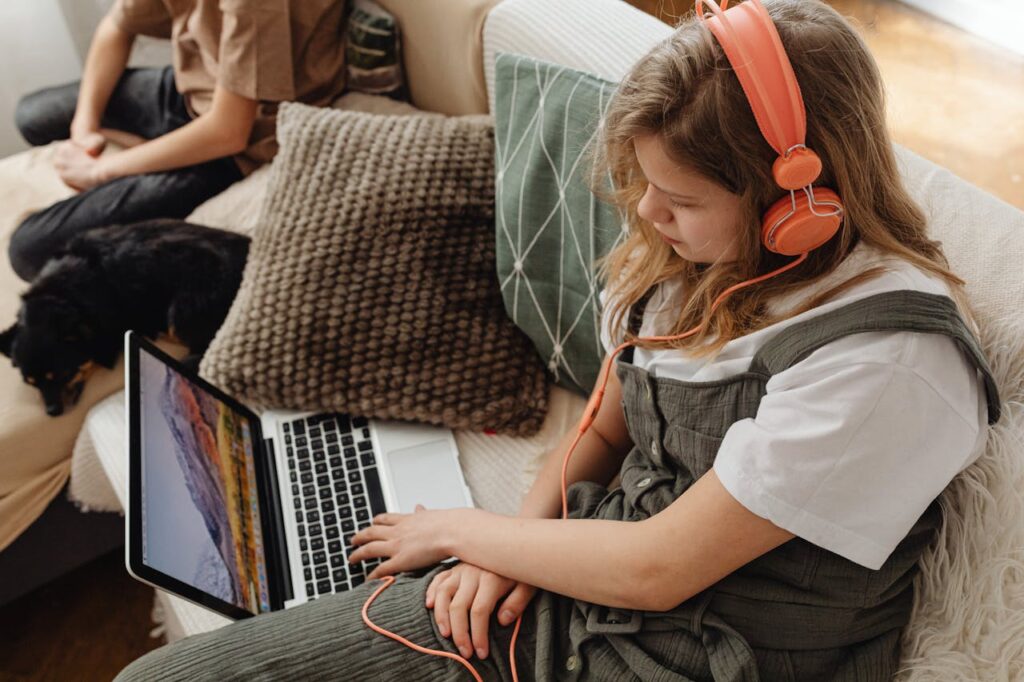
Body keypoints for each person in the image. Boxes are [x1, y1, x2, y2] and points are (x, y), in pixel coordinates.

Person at [114, 0, 1000, 679]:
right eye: (647, 186)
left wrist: (470, 536)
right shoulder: (705, 258)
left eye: (681, 200)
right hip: (599, 580)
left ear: (798, 201)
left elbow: (659, 570)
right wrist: (513, 545)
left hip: (696, 652)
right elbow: (606, 429)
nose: (649, 215)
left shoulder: (889, 363)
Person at [8, 0, 347, 283]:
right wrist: (85, 128)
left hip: (245, 137)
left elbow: (229, 132)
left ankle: (151, 156)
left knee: (27, 250)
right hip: (195, 92)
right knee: (31, 115)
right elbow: (117, 27)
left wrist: (100, 171)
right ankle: (146, 149)